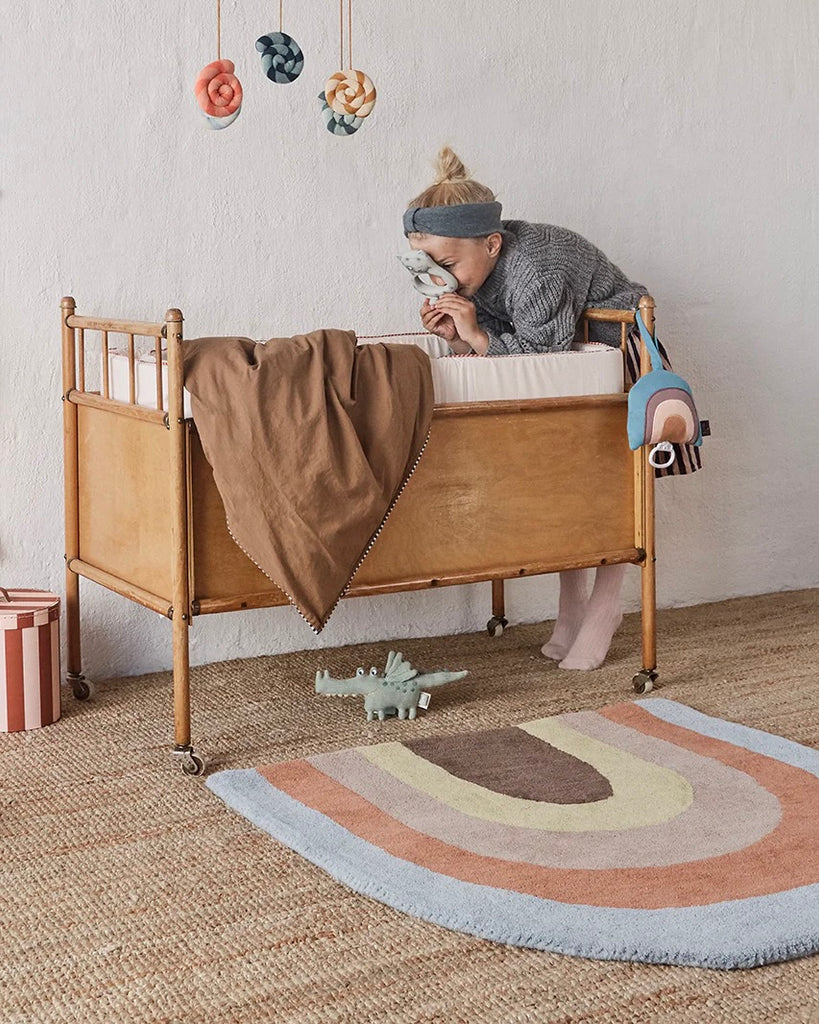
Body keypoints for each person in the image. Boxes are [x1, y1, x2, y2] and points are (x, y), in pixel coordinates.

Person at [404, 147, 700, 671]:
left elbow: (547, 354)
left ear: (492, 245)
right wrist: (461, 335)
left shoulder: (535, 269)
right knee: (563, 485)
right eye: (431, 268)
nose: (442, 278)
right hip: (566, 359)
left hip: (613, 353)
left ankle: (604, 607)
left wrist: (478, 335)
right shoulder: (482, 268)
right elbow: (516, 343)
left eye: (448, 265)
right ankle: (571, 607)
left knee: (609, 483)